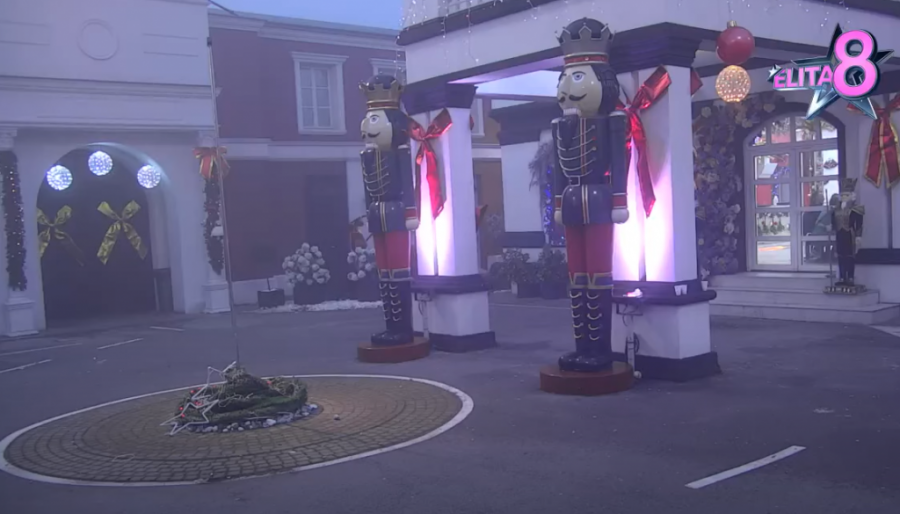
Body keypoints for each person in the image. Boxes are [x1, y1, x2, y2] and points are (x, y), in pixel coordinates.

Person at [551, 18, 629, 373]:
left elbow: (619, 162)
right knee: (576, 278)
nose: (567, 88)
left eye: (578, 77)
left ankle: (599, 349)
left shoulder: (612, 122)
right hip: (571, 202)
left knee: (598, 276)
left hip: (598, 201)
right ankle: (581, 345)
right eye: (564, 79)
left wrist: (619, 200)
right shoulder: (560, 126)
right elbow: (557, 169)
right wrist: (556, 203)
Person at [358, 74, 418, 345]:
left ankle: (402, 328)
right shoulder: (368, 157)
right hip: (377, 215)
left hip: (395, 214)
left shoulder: (400, 154)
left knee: (398, 272)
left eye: (374, 119)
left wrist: (411, 212)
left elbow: (407, 184)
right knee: (383, 274)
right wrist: (367, 213)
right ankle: (390, 325)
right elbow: (367, 189)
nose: (366, 127)